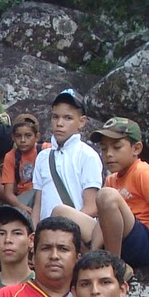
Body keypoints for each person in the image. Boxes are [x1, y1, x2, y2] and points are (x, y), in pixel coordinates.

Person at [89, 118, 149, 267]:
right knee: (62, 212)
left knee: (106, 195)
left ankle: (113, 266)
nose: (109, 154)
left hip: (147, 242)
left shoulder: (144, 173)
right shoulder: (111, 179)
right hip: (119, 238)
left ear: (136, 148)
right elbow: (102, 220)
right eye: (104, 148)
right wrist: (93, 251)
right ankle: (92, 260)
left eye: (116, 147)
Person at [33, 88, 102, 242]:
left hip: (75, 235)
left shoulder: (88, 155)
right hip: (45, 236)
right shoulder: (43, 157)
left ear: (81, 122)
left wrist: (66, 232)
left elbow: (92, 206)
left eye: (68, 118)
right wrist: (36, 234)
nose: (60, 123)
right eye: (55, 117)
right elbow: (38, 203)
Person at [0, 113, 41, 215]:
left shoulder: (45, 150)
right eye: (18, 136)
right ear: (13, 137)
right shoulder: (11, 156)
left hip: (43, 194)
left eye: (28, 136)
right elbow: (8, 193)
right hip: (23, 198)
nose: (23, 140)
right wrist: (21, 207)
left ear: (37, 137)